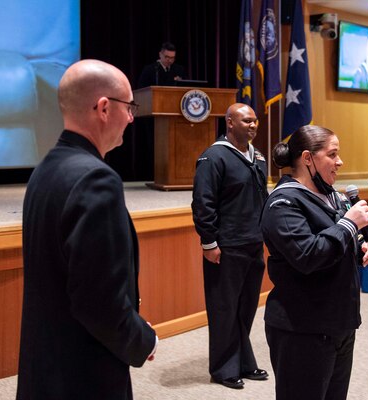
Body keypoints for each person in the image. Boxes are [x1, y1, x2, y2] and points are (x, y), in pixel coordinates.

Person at [17, 59, 157, 400]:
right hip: (82, 374)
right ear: (104, 108)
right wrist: (142, 338)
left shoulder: (45, 169)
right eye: (129, 107)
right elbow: (98, 302)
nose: (131, 117)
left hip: (45, 365)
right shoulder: (97, 179)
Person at [260, 125, 368, 400]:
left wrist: (365, 248)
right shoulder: (283, 203)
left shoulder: (332, 197)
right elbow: (308, 256)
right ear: (308, 158)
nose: (340, 162)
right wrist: (349, 224)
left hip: (339, 323)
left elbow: (338, 246)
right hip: (302, 329)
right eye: (333, 154)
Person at [191, 103, 269, 390]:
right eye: (246, 120)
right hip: (226, 246)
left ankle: (244, 362)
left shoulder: (257, 157)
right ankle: (223, 369)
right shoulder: (213, 157)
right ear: (230, 122)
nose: (253, 125)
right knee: (224, 309)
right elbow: (203, 202)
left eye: (255, 120)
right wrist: (209, 241)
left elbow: (263, 197)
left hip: (253, 243)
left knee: (246, 308)